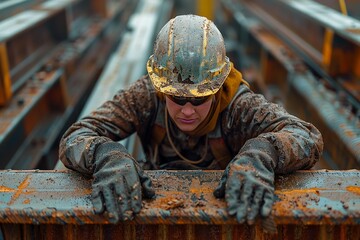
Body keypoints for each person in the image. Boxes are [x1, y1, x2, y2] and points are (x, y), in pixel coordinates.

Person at [59, 14, 323, 224]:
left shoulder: (240, 107)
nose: (187, 111)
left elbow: (306, 136)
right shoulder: (145, 96)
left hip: (229, 210)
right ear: (162, 89)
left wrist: (262, 154)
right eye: (176, 98)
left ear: (218, 88)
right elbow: (75, 136)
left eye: (199, 99)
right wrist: (107, 155)